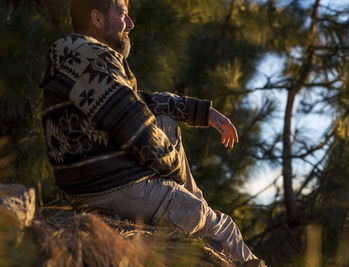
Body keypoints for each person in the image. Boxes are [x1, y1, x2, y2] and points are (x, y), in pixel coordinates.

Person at [40, 0, 265, 266]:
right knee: (223, 228)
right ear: (97, 19)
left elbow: (137, 102)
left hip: (86, 187)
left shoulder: (73, 56)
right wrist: (174, 174)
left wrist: (200, 112)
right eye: (123, 14)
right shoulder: (94, 55)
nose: (131, 24)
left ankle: (194, 204)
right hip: (115, 188)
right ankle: (202, 215)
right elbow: (135, 127)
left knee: (165, 122)